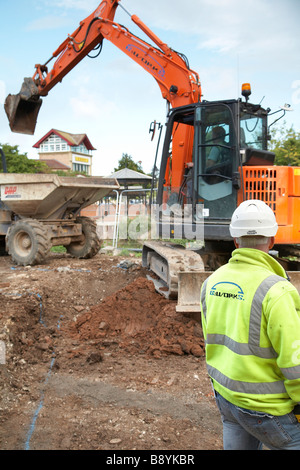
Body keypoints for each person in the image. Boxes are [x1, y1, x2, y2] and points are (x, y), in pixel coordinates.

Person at [200, 199, 300, 450]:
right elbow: (294, 362)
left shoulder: (211, 283)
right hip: (267, 409)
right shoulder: (276, 290)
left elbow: (211, 340)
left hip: (227, 398)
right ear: (272, 241)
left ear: (235, 241)